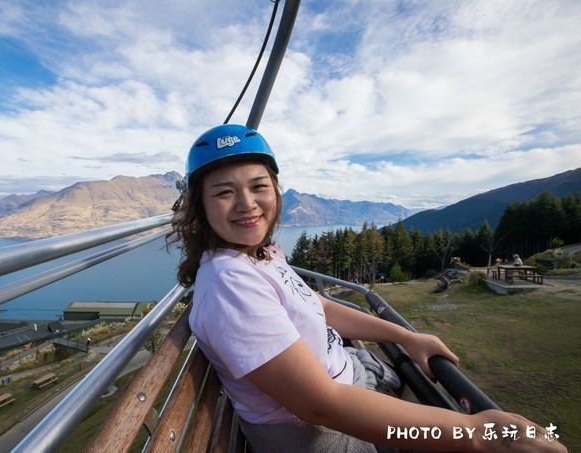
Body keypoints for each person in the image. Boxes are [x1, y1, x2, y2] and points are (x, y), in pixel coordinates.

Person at [167, 124, 566, 452]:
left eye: (258, 186)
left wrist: (406, 336)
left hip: (344, 387)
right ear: (200, 206)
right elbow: (320, 405)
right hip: (318, 434)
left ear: (274, 190)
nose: (246, 203)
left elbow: (317, 305)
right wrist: (474, 435)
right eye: (223, 192)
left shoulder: (259, 255)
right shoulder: (230, 284)